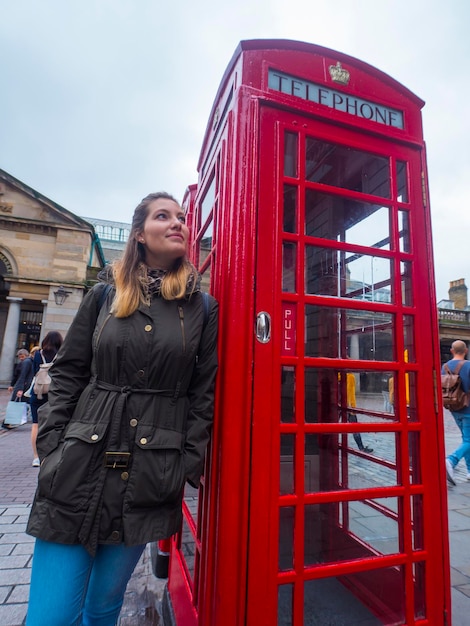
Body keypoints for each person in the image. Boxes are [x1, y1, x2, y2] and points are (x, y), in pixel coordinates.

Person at [26, 192, 218, 626]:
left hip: (150, 475)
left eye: (183, 218)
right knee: (50, 618)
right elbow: (71, 371)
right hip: (77, 466)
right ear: (139, 234)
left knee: (103, 610)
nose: (179, 224)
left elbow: (202, 393)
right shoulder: (104, 294)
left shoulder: (202, 309)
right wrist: (54, 445)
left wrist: (186, 461)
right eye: (163, 216)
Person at [29, 332, 64, 468]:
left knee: (35, 424)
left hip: (37, 392)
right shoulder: (61, 354)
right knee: (53, 423)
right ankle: (50, 453)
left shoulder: (38, 354)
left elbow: (34, 373)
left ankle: (36, 457)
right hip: (54, 393)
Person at [444, 340, 470, 486]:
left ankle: (469, 471)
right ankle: (451, 460)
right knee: (469, 440)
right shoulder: (468, 365)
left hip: (454, 407)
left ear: (452, 351)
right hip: (468, 407)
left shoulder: (445, 366)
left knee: (467, 439)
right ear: (465, 351)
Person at [346, 371, 374, 453]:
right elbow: (350, 392)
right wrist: (352, 407)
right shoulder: (350, 376)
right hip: (349, 406)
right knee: (355, 428)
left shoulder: (338, 376)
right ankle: (361, 447)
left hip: (339, 405)